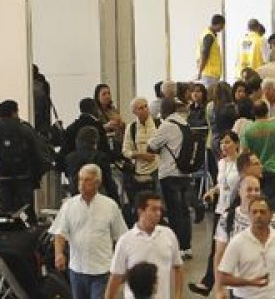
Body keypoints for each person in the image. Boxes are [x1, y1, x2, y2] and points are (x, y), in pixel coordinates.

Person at [50, 164, 127, 299]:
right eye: (80, 179)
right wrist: (59, 254)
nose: (82, 184)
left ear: (97, 183)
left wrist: (122, 264)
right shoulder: (69, 205)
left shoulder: (110, 206)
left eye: (87, 180)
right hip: (77, 270)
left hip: (102, 271)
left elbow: (121, 237)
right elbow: (60, 232)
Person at [189, 131, 242, 296]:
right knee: (216, 249)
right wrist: (212, 191)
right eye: (221, 143)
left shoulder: (241, 163)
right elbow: (221, 184)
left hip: (235, 211)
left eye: (227, 142)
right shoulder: (221, 163)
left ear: (236, 144)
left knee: (234, 249)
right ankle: (208, 283)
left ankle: (234, 285)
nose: (223, 146)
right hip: (220, 210)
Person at [106, 191, 184, 299]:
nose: (158, 213)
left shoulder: (168, 234)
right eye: (154, 209)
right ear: (140, 211)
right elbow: (116, 276)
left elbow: (178, 267)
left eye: (159, 209)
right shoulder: (125, 240)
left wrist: (178, 295)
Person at [147, 98, 193, 259]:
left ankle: (178, 247)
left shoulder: (166, 126)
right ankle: (187, 246)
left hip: (170, 173)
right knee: (185, 211)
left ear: (164, 110)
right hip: (185, 173)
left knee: (174, 212)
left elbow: (151, 146)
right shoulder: (184, 124)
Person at [218, 196, 275, 299]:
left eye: (262, 212)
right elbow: (223, 278)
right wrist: (250, 282)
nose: (258, 216)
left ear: (271, 215)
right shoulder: (237, 242)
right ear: (249, 215)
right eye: (254, 212)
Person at [241, 100, 275, 211]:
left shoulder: (248, 130)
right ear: (267, 111)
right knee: (272, 202)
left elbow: (244, 152)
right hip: (274, 168)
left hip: (255, 171)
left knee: (255, 200)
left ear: (253, 113)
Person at [66, 126, 120, 203]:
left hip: (77, 199)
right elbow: (109, 183)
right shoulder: (101, 157)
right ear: (95, 141)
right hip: (97, 198)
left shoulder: (70, 158)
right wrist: (116, 202)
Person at [122, 97, 160, 203]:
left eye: (146, 106)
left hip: (158, 168)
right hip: (140, 171)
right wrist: (140, 155)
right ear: (134, 112)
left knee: (159, 200)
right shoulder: (131, 127)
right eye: (140, 108)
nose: (144, 110)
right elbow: (125, 151)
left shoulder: (159, 123)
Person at [197, 14, 226, 86]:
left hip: (210, 73)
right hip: (210, 74)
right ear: (219, 24)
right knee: (211, 95)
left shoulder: (208, 34)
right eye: (222, 26)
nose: (222, 29)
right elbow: (205, 53)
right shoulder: (209, 36)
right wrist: (200, 71)